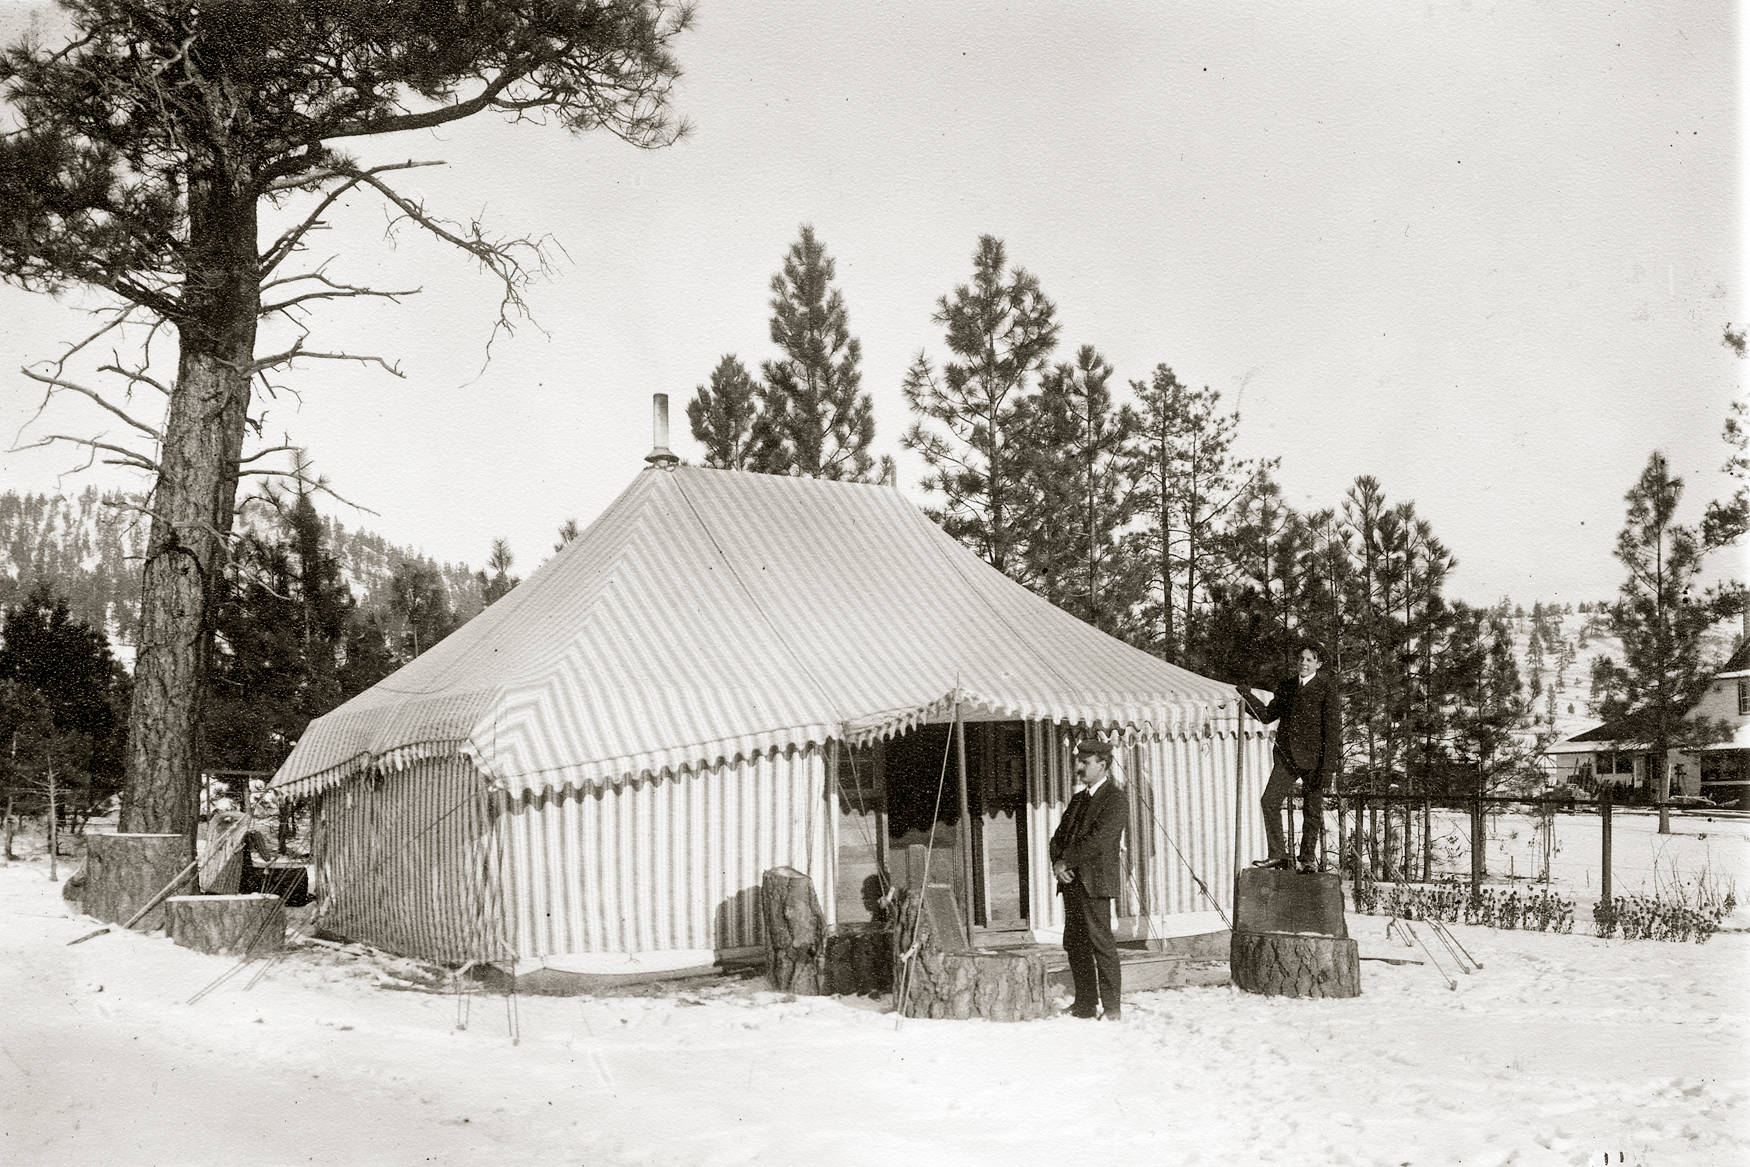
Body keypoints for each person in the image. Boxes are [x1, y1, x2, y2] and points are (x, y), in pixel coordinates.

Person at [1239, 639, 1341, 873]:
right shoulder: (1286, 687)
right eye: (1301, 659)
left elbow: (1332, 731)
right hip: (1286, 757)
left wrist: (1328, 769)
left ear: (1319, 664)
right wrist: (1247, 697)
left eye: (1310, 660)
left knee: (1312, 811)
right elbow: (1266, 715)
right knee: (1269, 801)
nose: (1304, 663)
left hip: (1315, 761)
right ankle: (1278, 855)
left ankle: (1307, 859)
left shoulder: (1326, 689)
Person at [1049, 737, 1127, 1020]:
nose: (1079, 767)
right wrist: (1059, 864)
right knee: (1075, 943)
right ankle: (1084, 1004)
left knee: (1101, 944)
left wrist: (1066, 861)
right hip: (1071, 882)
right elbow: (1057, 838)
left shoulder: (1115, 799)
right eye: (1078, 761)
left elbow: (1098, 841)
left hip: (1095, 883)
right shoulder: (1078, 799)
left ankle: (1112, 1008)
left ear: (1102, 765)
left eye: (1085, 762)